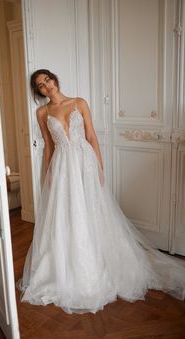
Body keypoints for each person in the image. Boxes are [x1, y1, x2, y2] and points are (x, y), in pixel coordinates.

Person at [17, 69, 185, 315]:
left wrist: (99, 164)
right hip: (63, 166)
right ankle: (74, 265)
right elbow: (48, 145)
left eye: (48, 80)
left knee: (92, 208)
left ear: (55, 79)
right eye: (41, 85)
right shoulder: (42, 112)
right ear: (39, 91)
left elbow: (91, 135)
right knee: (69, 213)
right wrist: (48, 173)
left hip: (85, 162)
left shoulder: (79, 102)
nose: (47, 86)